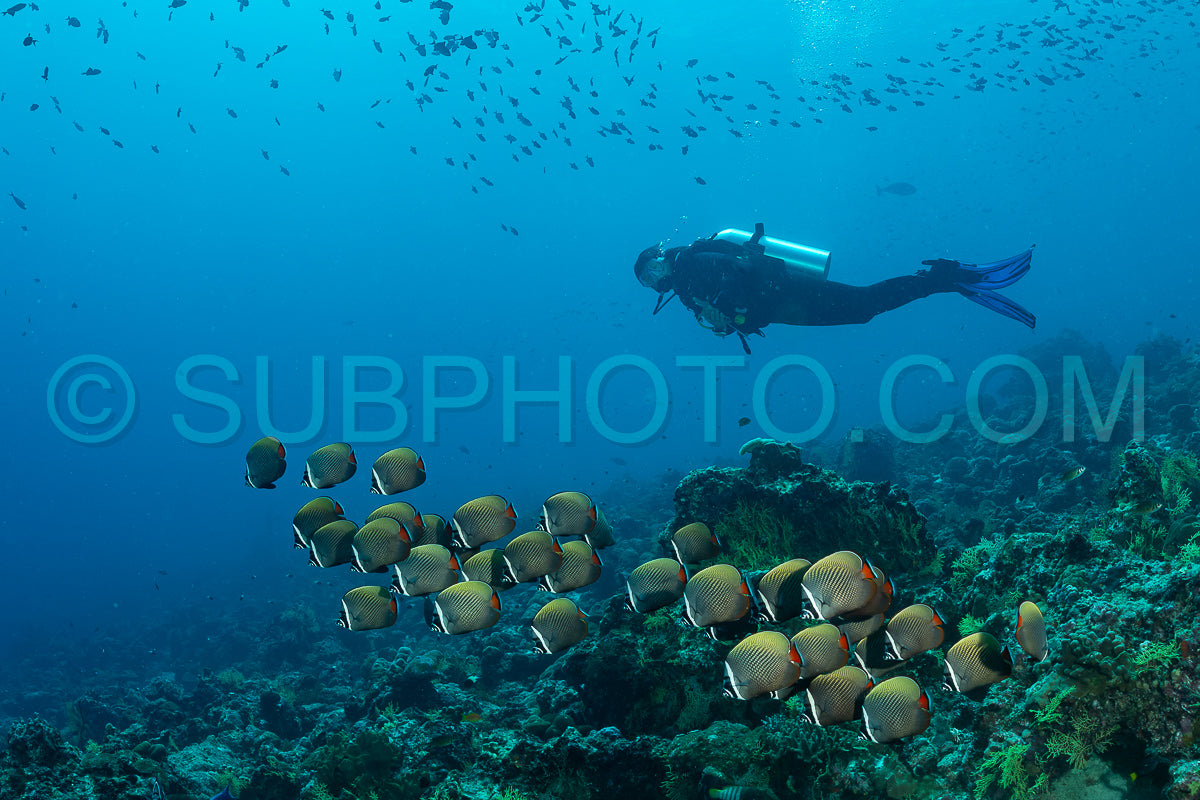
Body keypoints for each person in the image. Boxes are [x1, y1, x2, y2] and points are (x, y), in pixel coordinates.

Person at [634, 222, 1035, 353]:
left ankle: (944, 276)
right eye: (647, 279)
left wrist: (728, 308)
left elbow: (733, 273)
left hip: (786, 294)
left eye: (651, 267)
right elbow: (727, 315)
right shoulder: (685, 291)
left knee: (864, 303)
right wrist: (724, 321)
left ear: (660, 256)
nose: (654, 277)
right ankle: (945, 281)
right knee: (864, 310)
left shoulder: (693, 262)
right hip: (781, 310)